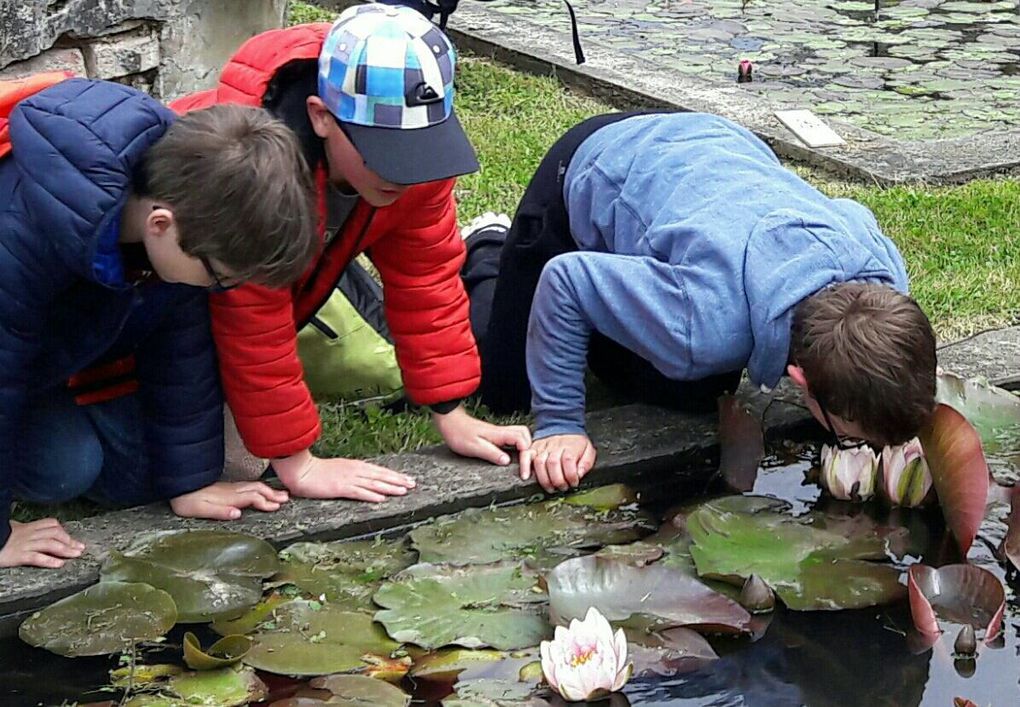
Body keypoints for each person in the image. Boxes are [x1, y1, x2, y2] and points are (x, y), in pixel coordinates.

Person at [460, 111, 937, 493]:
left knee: (691, 392)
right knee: (505, 388)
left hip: (715, 150)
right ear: (798, 380)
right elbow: (565, 279)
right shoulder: (704, 323)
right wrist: (560, 422)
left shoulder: (885, 278)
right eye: (849, 435)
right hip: (597, 161)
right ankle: (489, 242)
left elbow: (854, 212)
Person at [171, 3, 531, 503]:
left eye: (417, 149)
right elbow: (252, 316)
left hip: (300, 274)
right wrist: (299, 465)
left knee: (241, 458)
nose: (404, 173)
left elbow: (426, 279)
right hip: (157, 311)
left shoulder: (418, 161)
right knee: (219, 465)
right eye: (382, 150)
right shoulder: (251, 174)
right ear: (320, 116)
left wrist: (451, 412)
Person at [0, 76, 319, 569]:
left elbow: (180, 350)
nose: (220, 290)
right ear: (160, 225)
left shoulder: (187, 204)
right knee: (65, 468)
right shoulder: (17, 236)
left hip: (39, 362)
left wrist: (191, 481)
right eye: (218, 278)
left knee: (141, 476)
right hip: (11, 359)